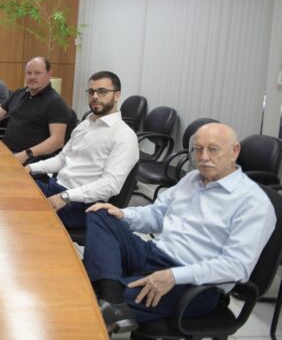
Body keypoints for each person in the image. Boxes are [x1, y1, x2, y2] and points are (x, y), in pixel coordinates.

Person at [83, 123, 276, 334]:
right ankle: (113, 302)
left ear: (234, 151)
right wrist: (123, 214)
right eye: (198, 149)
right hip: (154, 254)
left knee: (88, 306)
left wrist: (174, 276)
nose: (203, 157)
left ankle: (109, 303)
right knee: (100, 213)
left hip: (194, 283)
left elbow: (235, 266)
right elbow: (156, 214)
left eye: (212, 149)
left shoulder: (253, 202)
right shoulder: (191, 179)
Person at [27, 71, 138, 229]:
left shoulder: (124, 135)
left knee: (22, 214)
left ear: (117, 95)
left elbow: (110, 185)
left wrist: (66, 196)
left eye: (102, 91)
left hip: (81, 204)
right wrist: (30, 168)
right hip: (56, 187)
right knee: (14, 189)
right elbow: (62, 159)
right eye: (91, 92)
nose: (95, 96)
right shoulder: (85, 125)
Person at [0, 57, 69, 164]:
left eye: (37, 73)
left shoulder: (56, 102)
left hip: (30, 159)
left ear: (49, 74)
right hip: (5, 152)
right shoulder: (19, 93)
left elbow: (57, 141)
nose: (32, 77)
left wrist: (26, 154)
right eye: (29, 73)